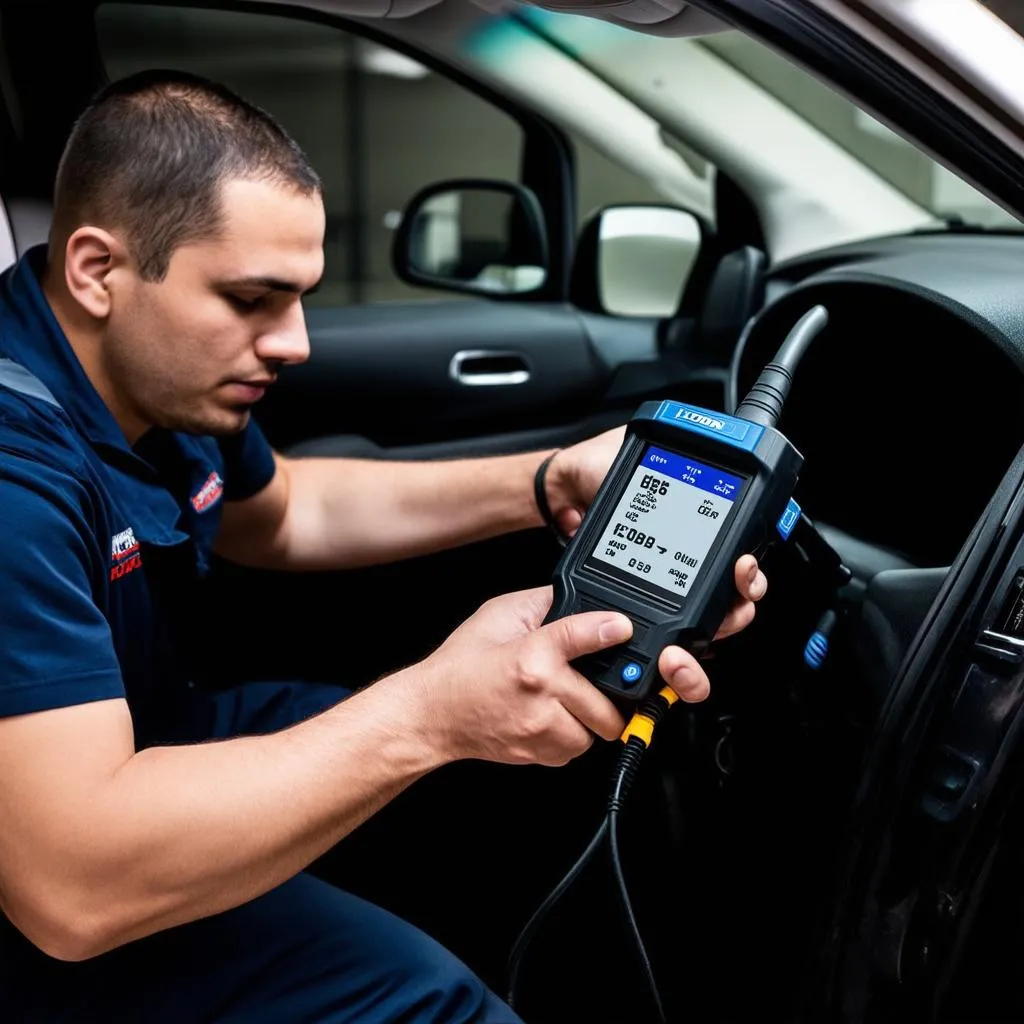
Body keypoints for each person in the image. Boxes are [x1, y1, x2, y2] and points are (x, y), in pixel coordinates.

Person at [0, 70, 767, 1023]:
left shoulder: (154, 377)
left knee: (483, 796)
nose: (295, 344)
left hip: (146, 738)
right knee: (439, 1006)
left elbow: (279, 513)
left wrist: (543, 481)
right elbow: (72, 888)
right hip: (50, 898)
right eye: (252, 299)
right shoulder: (13, 471)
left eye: (302, 299)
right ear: (96, 271)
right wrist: (430, 714)